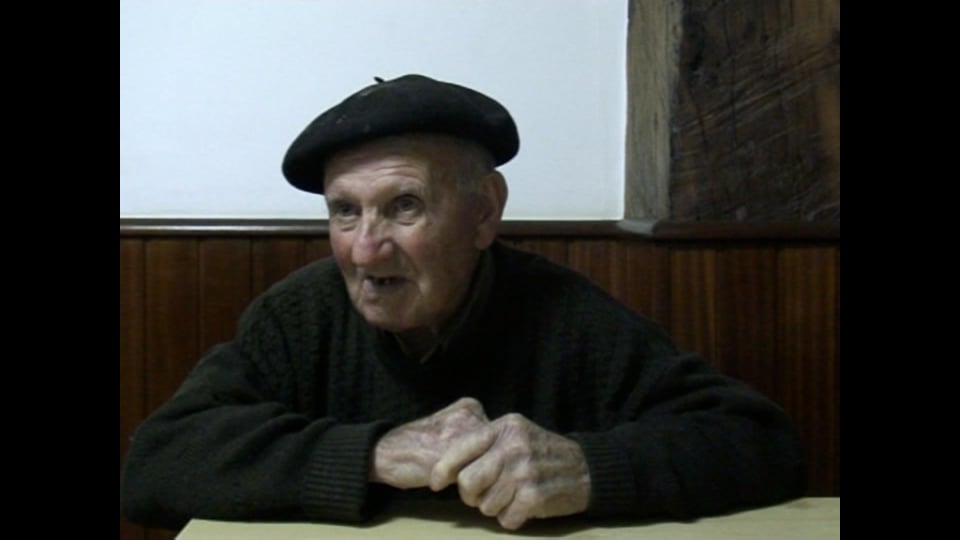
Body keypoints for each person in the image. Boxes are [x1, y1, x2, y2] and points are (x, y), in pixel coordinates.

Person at [120, 74, 806, 531]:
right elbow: (156, 464)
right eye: (345, 212)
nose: (365, 251)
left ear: (483, 213)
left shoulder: (563, 314)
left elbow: (762, 443)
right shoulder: (298, 316)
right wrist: (374, 453)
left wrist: (590, 469)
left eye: (404, 206)